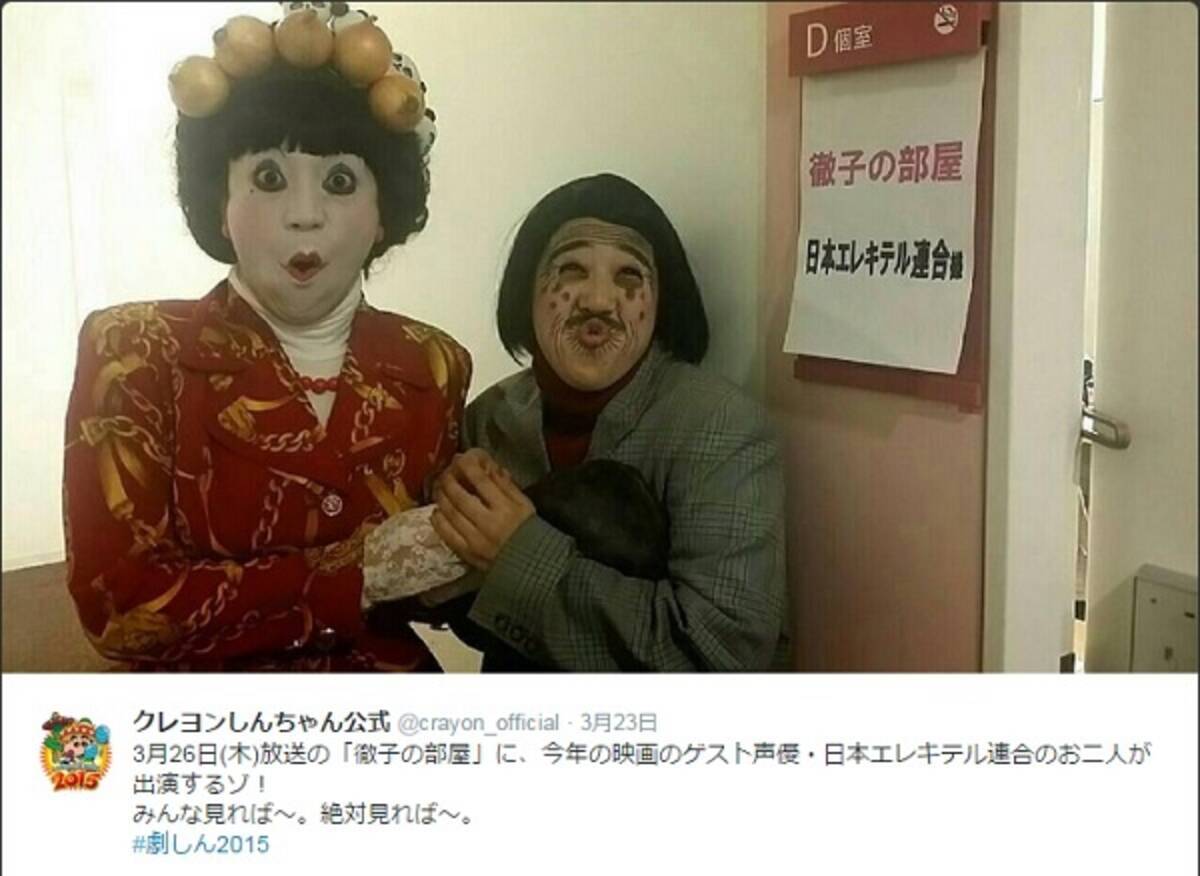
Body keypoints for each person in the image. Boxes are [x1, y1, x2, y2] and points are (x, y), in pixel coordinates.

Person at [61, 4, 470, 671]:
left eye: (340, 181)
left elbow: (438, 590)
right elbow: (121, 610)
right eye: (269, 178)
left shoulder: (436, 362)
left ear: (381, 215)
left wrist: (484, 546)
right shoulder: (132, 350)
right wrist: (359, 573)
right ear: (221, 207)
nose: (304, 215)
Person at [430, 173, 789, 671]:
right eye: (572, 270)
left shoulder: (721, 426)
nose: (599, 300)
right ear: (527, 291)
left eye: (629, 276)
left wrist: (517, 554)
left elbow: (722, 656)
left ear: (661, 302)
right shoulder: (489, 419)